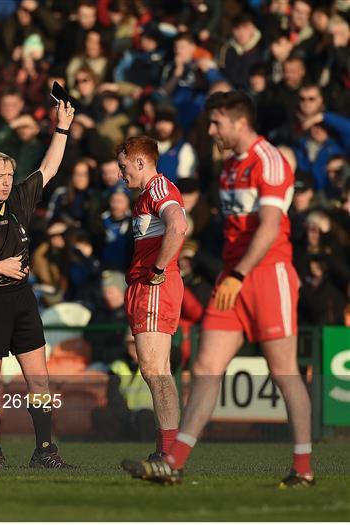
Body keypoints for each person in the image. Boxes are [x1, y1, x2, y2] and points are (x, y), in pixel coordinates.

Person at [122, 91, 315, 488]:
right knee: (206, 369)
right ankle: (173, 463)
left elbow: (269, 227)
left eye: (216, 123)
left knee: (284, 372)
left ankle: (303, 467)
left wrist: (239, 273)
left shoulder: (271, 161)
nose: (210, 130)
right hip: (233, 278)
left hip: (264, 274)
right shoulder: (228, 168)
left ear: (237, 121)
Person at [0, 100, 75, 468]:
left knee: (40, 380)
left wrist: (61, 127)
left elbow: (49, 167)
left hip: (23, 300)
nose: (8, 182)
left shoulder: (19, 201)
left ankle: (45, 450)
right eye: (0, 176)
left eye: (10, 175)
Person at [115, 135, 188, 461]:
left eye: (123, 166)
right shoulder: (147, 195)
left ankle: (168, 452)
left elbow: (178, 226)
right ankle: (166, 451)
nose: (121, 173)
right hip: (146, 285)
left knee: (155, 371)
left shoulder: (158, 189)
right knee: (158, 371)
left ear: (140, 162)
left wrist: (158, 268)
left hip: (155, 285)